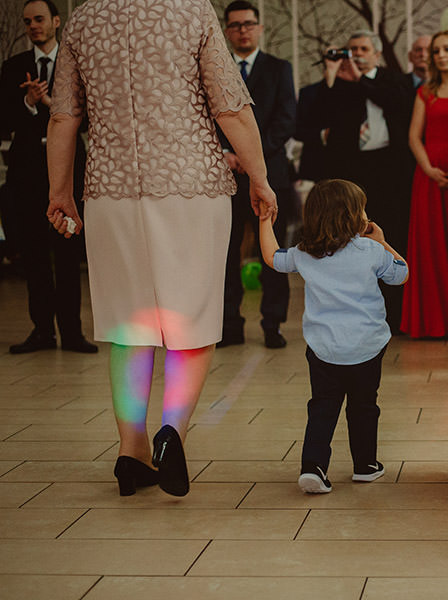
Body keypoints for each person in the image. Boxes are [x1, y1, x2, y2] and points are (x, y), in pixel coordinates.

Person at [46, 0, 277, 497]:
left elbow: (63, 117)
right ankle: (171, 433)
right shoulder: (191, 11)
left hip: (110, 191)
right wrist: (259, 177)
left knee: (129, 326)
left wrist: (59, 191)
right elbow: (230, 107)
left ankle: (131, 450)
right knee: (190, 321)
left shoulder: (83, 18)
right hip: (190, 187)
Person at [259, 179, 408, 494]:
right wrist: (383, 242)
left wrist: (264, 222)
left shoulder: (304, 253)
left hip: (324, 349)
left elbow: (273, 258)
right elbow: (401, 274)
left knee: (322, 407)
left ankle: (313, 467)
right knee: (364, 406)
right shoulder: (370, 251)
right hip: (367, 347)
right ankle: (365, 465)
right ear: (353, 217)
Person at [0, 0, 95, 355]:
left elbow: (89, 120)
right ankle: (42, 331)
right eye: (28, 21)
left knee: (68, 254)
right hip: (27, 172)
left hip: (69, 170)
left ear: (56, 21)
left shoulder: (77, 65)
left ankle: (72, 332)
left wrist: (50, 102)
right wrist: (27, 102)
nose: (33, 26)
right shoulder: (14, 67)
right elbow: (3, 120)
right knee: (34, 254)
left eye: (39, 19)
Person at [313, 30, 413, 333]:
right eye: (351, 49)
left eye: (362, 49)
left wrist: (361, 80)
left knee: (389, 237)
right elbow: (318, 117)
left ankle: (395, 316)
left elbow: (395, 103)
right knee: (351, 240)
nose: (356, 54)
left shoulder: (394, 80)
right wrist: (331, 76)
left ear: (376, 54)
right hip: (354, 173)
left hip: (390, 171)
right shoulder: (342, 84)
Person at [218, 0, 296, 350]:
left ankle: (272, 324)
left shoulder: (279, 68)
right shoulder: (216, 69)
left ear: (260, 27)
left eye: (248, 24)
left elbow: (286, 120)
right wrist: (225, 153)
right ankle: (228, 324)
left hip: (271, 175)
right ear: (226, 31)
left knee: (273, 253)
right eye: (235, 25)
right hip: (225, 176)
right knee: (226, 253)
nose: (243, 30)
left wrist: (250, 158)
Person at [401, 31, 448, 339]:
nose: (441, 55)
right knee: (432, 247)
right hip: (430, 177)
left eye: (447, 49)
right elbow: (414, 137)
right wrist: (428, 169)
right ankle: (437, 323)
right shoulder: (426, 92)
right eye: (436, 50)